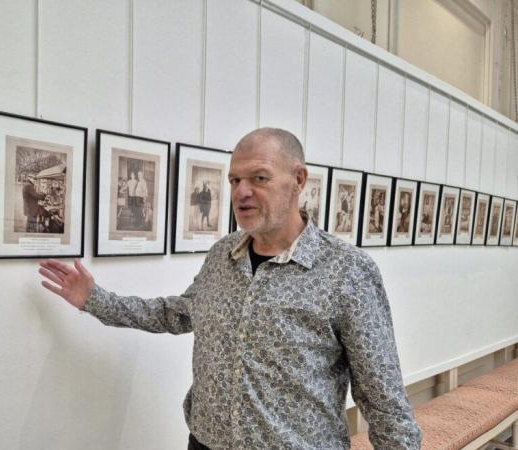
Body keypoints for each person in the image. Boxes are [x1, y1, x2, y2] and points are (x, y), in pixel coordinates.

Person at [38, 128, 422, 450]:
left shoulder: (347, 271)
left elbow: (382, 397)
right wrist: (94, 300)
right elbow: (178, 313)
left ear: (299, 180)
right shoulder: (223, 255)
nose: (241, 192)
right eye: (235, 180)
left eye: (259, 177)